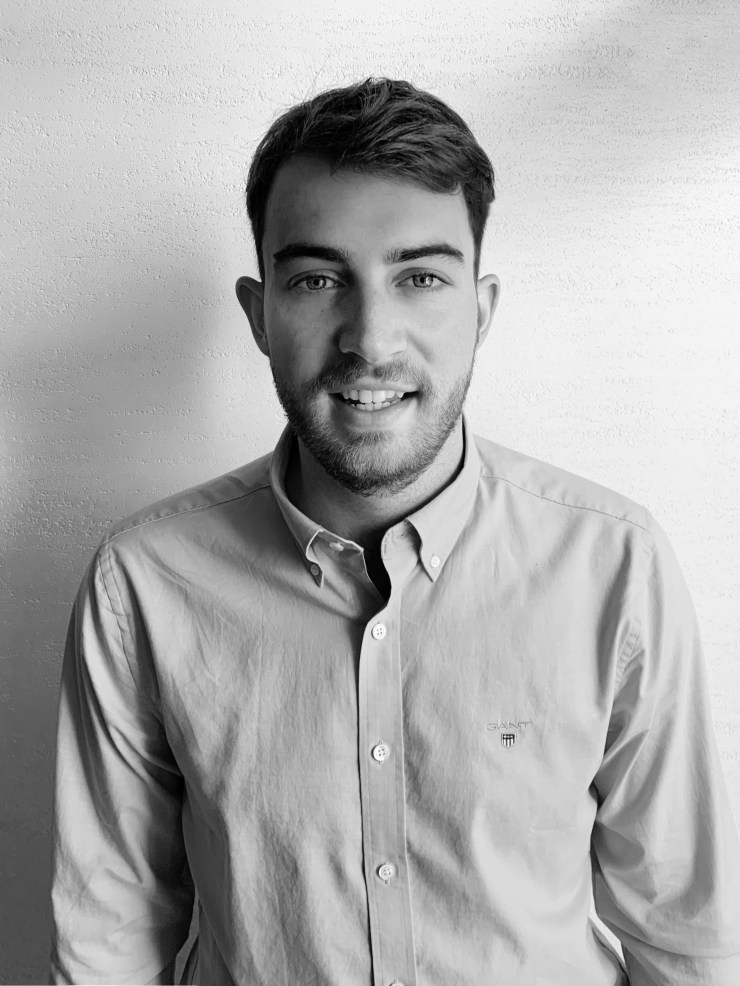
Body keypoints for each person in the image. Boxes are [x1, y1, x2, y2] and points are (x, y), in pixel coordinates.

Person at [49, 77, 740, 986]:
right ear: (258, 313)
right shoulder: (142, 585)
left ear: (481, 310)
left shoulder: (614, 564)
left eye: (420, 278)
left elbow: (685, 938)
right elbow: (108, 941)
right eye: (318, 280)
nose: (370, 341)